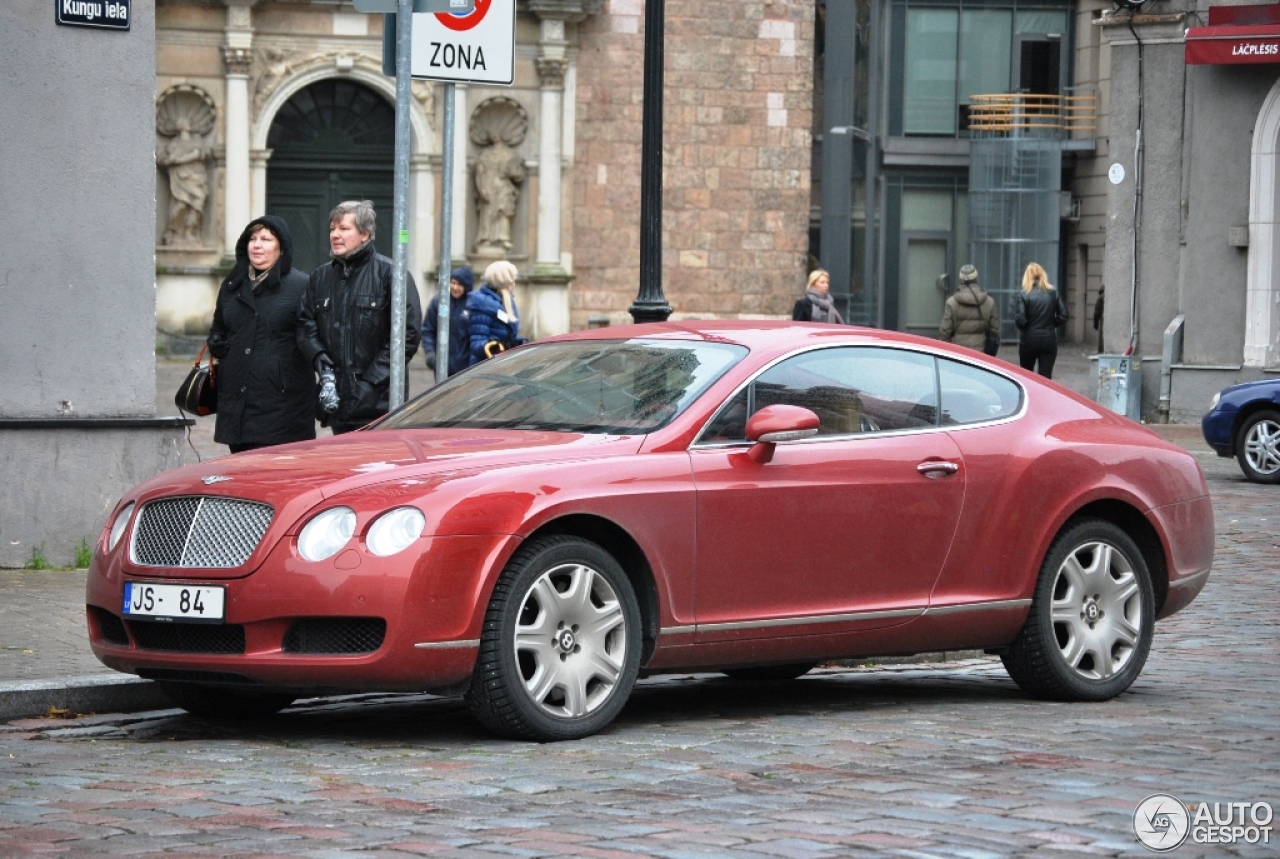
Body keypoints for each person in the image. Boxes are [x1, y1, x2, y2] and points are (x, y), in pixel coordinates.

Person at [297, 200, 422, 434]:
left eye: (344, 229)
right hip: (337, 402)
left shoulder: (391, 275)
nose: (335, 235)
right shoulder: (320, 277)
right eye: (332, 229)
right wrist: (321, 361)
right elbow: (305, 324)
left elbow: (407, 335)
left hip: (380, 405)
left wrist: (369, 383)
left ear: (365, 234)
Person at [207, 216, 315, 453]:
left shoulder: (301, 285)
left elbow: (313, 337)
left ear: (281, 247)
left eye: (265, 239)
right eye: (252, 239)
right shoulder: (232, 284)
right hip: (237, 401)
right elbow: (219, 326)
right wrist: (217, 342)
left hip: (283, 406)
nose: (257, 245)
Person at [1014, 261, 1068, 379]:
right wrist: (1051, 323)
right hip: (1048, 340)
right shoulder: (1053, 293)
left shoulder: (1023, 295)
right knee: (1046, 377)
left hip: (1029, 340)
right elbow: (1064, 315)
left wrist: (1027, 327)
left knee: (1027, 376)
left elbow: (1021, 320)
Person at [467, 260, 524, 364]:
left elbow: (506, 335)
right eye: (511, 281)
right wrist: (496, 345)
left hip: (501, 363)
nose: (514, 285)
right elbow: (476, 344)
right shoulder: (483, 305)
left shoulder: (506, 301)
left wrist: (519, 343)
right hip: (486, 367)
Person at [422, 266, 474, 382]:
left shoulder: (473, 304)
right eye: (453, 283)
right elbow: (428, 329)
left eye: (460, 285)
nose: (455, 287)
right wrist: (430, 352)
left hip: (466, 367)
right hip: (442, 365)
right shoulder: (439, 301)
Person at [939, 264, 999, 353]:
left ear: (961, 279)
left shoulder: (952, 302)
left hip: (959, 353)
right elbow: (994, 331)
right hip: (982, 354)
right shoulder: (989, 302)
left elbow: (945, 332)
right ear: (976, 277)